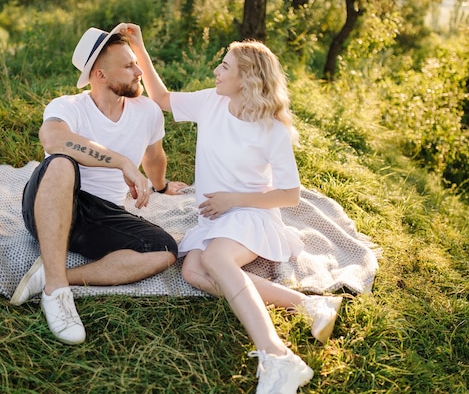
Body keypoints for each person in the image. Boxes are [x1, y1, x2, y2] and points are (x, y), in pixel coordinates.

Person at [123, 23, 343, 393]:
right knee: (193, 270)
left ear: (247, 78)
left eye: (225, 67)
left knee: (218, 261)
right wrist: (140, 47)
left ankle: (276, 356)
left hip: (252, 214)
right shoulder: (212, 101)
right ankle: (307, 305)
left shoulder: (271, 130)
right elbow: (161, 97)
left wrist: (233, 200)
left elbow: (289, 195)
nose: (216, 72)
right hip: (216, 216)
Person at [10, 24, 187, 345]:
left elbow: (155, 157)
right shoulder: (68, 106)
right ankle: (57, 294)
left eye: (136, 63)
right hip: (50, 206)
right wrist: (120, 162)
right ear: (100, 75)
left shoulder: (146, 111)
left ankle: (52, 276)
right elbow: (53, 139)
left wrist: (159, 187)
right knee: (61, 161)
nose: (139, 72)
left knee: (163, 250)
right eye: (129, 65)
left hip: (99, 216)